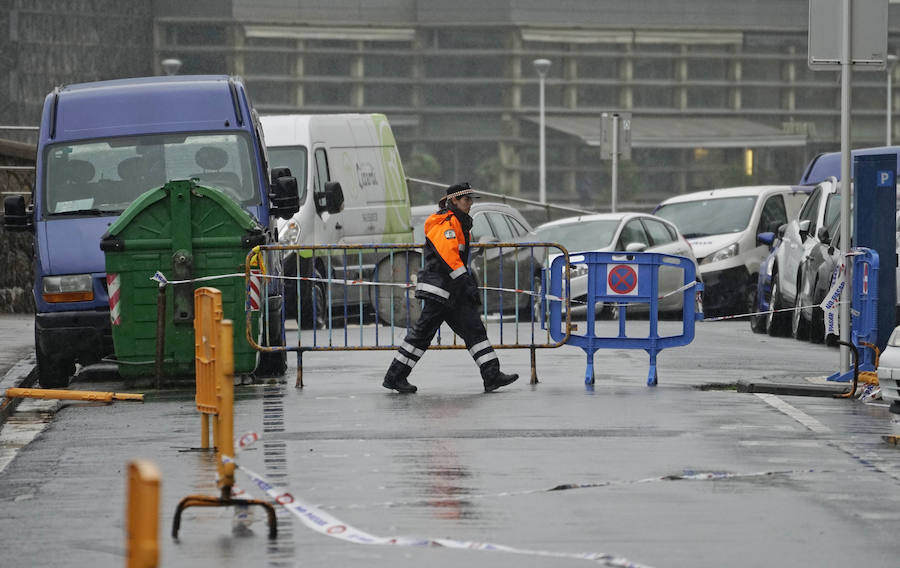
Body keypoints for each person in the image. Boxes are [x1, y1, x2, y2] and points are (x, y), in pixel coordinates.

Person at [382, 182, 519, 394]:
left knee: (474, 330)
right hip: (440, 291)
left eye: (471, 199)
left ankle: (491, 375)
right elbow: (449, 257)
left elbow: (458, 259)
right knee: (420, 336)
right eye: (467, 200)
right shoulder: (443, 222)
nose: (470, 204)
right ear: (453, 200)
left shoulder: (458, 223)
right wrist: (466, 282)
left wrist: (465, 285)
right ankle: (395, 377)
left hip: (453, 292)